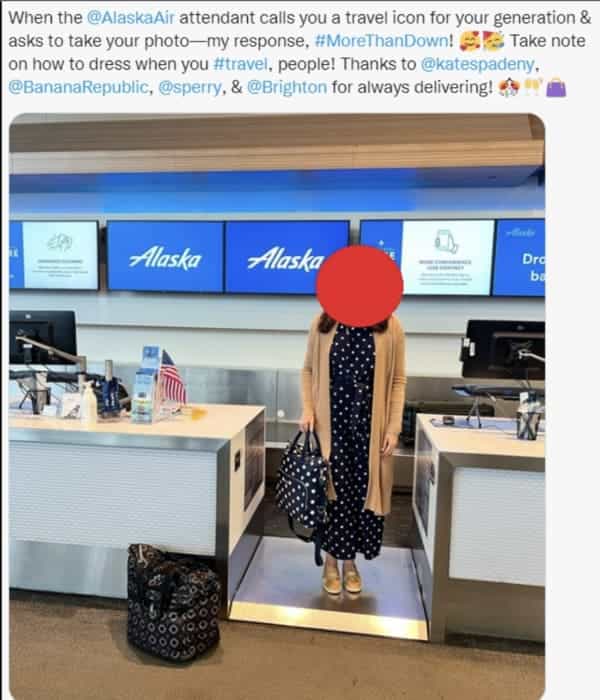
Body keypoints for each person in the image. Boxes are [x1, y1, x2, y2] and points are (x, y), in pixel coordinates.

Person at [300, 311, 407, 595]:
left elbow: (398, 380)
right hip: (331, 426)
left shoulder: (390, 325)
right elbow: (308, 370)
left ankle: (350, 564)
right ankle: (330, 563)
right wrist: (308, 408)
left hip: (370, 428)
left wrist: (393, 427)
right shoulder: (323, 323)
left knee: (361, 494)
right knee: (334, 495)